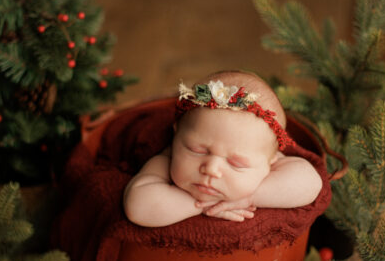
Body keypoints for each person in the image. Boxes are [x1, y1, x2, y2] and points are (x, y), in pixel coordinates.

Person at [123, 71, 323, 227]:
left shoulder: (265, 158)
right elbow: (138, 207)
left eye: (236, 163)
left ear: (270, 161)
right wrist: (201, 206)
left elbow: (311, 182)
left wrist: (249, 198)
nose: (211, 169)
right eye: (197, 150)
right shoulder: (164, 161)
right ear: (176, 135)